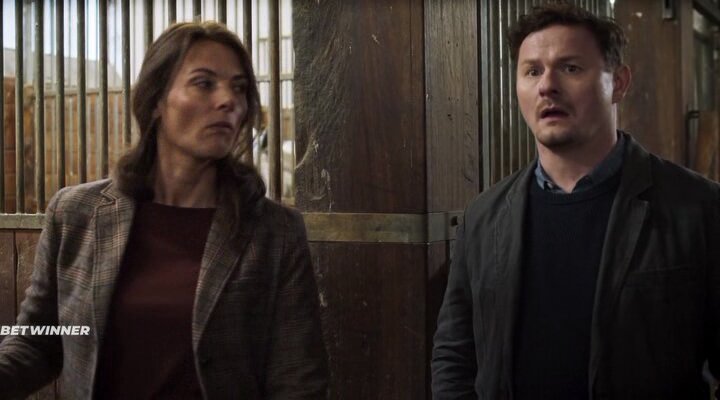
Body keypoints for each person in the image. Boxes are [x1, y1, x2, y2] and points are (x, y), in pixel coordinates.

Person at [0, 22, 328, 399]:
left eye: (239, 88)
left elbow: (298, 381)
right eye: (204, 83)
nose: (228, 100)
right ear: (156, 100)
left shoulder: (274, 232)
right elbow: (37, 341)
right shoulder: (76, 213)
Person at [432, 4, 720, 399]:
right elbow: (455, 355)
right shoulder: (484, 216)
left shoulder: (698, 208)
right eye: (532, 71)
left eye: (570, 68)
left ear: (619, 83)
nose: (547, 86)